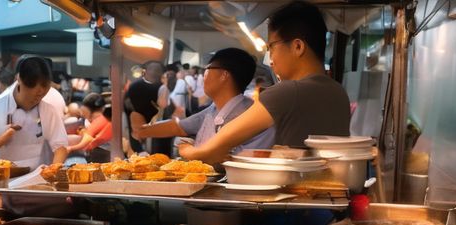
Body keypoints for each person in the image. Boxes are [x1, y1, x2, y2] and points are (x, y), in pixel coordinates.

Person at [180, 1, 350, 163]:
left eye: (271, 47)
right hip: (330, 189)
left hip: (294, 190)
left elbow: (208, 150)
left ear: (298, 47)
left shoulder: (287, 92)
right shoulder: (338, 91)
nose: (270, 60)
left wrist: (186, 149)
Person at [134, 48, 275, 155]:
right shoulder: (213, 110)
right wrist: (143, 131)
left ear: (224, 75)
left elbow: (222, 156)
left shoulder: (247, 114)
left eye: (208, 69)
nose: (204, 75)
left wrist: (187, 149)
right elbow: (179, 126)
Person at [0, 56, 69, 180]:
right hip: (7, 179)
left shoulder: (49, 110)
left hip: (38, 178)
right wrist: (3, 138)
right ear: (19, 79)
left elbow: (61, 147)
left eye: (43, 92)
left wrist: (53, 170)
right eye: (33, 91)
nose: (38, 98)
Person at [125, 61, 166, 154]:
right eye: (152, 70)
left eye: (158, 71)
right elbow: (130, 106)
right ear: (145, 71)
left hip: (158, 124)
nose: (155, 73)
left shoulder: (163, 87)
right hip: (139, 119)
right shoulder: (135, 86)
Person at [66, 93, 113, 162]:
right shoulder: (85, 121)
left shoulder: (109, 120)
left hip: (106, 153)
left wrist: (72, 147)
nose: (89, 120)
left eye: (91, 117)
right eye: (85, 116)